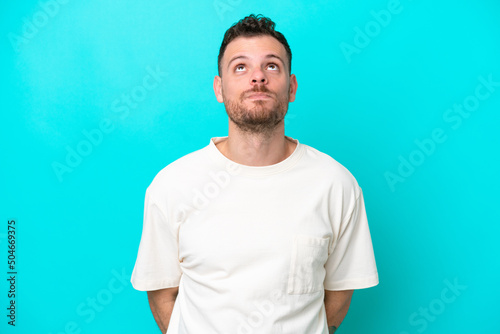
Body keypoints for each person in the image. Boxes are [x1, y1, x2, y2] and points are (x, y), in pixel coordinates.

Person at [131, 14, 379, 334]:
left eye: (271, 66)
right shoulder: (173, 184)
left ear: (291, 88)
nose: (257, 78)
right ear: (219, 88)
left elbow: (340, 293)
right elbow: (162, 294)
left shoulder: (336, 184)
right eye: (241, 67)